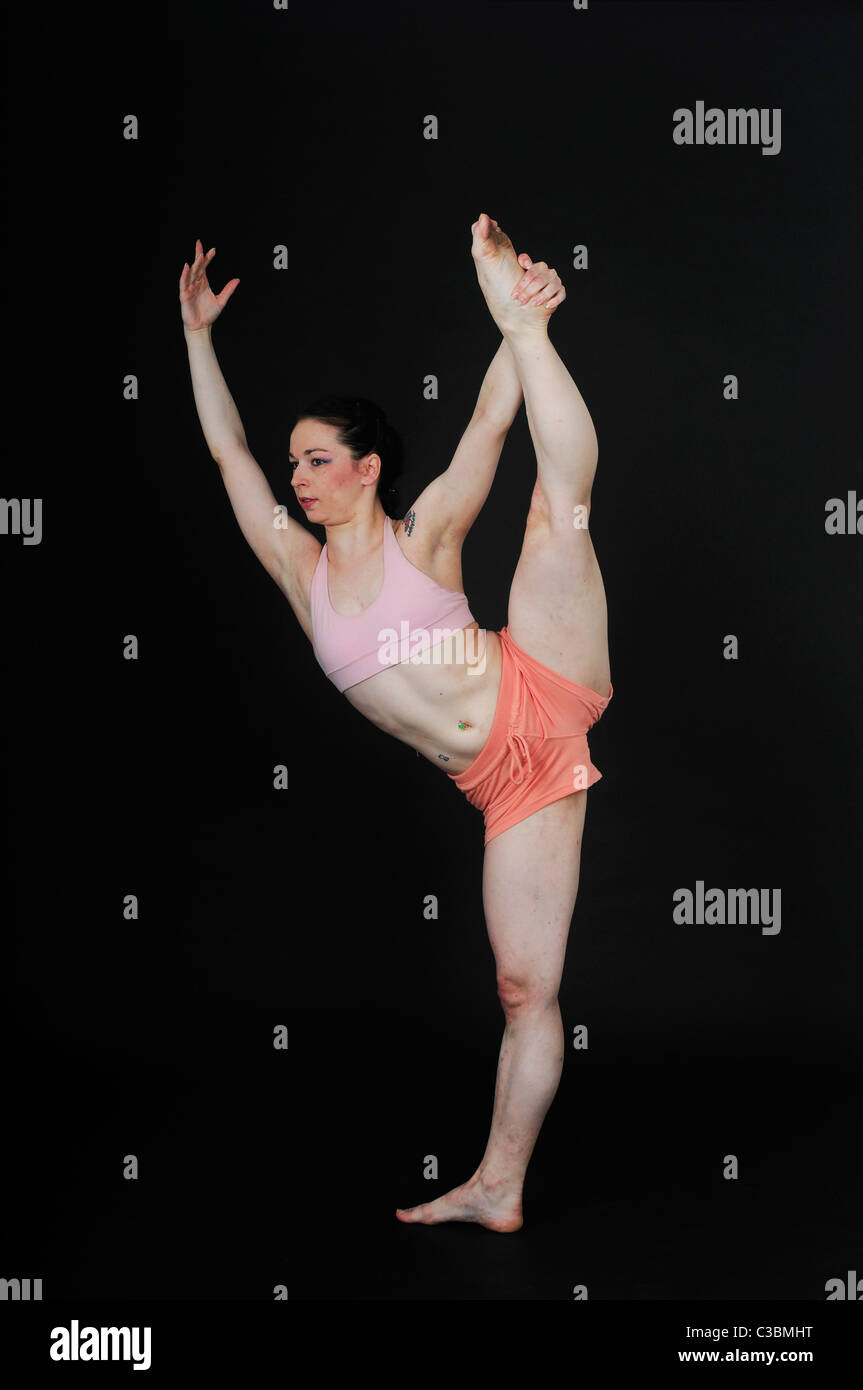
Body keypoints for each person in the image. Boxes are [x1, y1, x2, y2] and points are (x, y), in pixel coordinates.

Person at [179, 213, 612, 1232]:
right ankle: (497, 1186)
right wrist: (197, 337)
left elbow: (487, 426)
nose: (296, 476)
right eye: (296, 465)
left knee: (560, 512)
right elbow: (225, 449)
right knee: (520, 988)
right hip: (508, 785)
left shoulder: (425, 536)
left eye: (317, 459)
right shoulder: (302, 573)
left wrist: (518, 321)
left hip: (539, 676)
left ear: (367, 467)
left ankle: (532, 323)